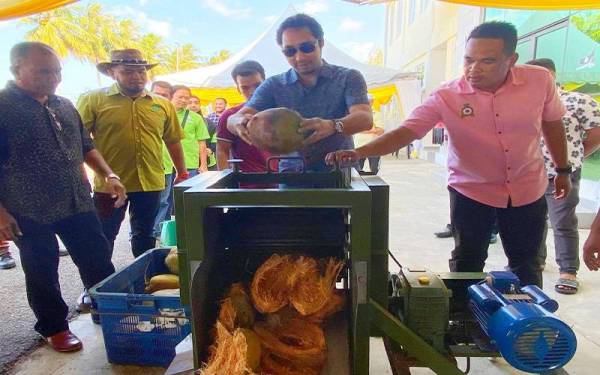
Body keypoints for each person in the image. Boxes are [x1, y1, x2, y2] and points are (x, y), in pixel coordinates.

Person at [327, 21, 571, 288]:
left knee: (526, 263)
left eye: (487, 61)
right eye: (468, 59)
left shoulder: (539, 80)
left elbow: (552, 123)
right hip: (471, 191)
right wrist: (359, 152)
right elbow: (408, 131)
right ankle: (464, 322)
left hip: (527, 188)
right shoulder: (446, 95)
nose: (473, 69)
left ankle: (529, 325)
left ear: (511, 59)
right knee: (467, 263)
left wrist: (562, 170)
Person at [0, 42, 126, 352]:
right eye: (44, 71)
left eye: (57, 70)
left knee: (97, 258)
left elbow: (86, 146)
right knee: (42, 269)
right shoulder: (3, 107)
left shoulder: (64, 104)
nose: (54, 77)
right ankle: (54, 327)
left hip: (77, 201)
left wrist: (109, 174)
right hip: (27, 208)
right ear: (16, 70)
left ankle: (108, 311)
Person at [227, 13, 372, 172]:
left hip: (340, 172)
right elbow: (234, 118)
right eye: (290, 51)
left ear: (321, 43)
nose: (299, 57)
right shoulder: (273, 85)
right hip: (291, 176)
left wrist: (333, 126)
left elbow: (364, 118)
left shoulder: (348, 77)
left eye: (306, 47)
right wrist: (238, 122)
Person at [77, 49, 187, 259]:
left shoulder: (162, 104)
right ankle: (97, 285)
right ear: (112, 72)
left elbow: (172, 141)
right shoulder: (93, 100)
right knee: (103, 235)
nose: (136, 76)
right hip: (109, 184)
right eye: (128, 71)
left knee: (144, 234)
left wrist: (182, 172)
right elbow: (79, 142)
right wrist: (82, 177)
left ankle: (143, 277)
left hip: (151, 181)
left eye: (141, 71)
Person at [526, 58, 600, 294]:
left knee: (563, 220)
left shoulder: (577, 101)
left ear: (553, 75)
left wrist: (575, 156)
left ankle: (568, 269)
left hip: (562, 173)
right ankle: (536, 260)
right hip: (526, 173)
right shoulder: (523, 102)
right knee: (531, 221)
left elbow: (596, 133)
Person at [153, 85, 211, 239]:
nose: (184, 100)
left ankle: (187, 230)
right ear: (171, 96)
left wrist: (203, 165)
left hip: (189, 164)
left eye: (187, 97)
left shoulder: (196, 118)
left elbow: (202, 143)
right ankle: (159, 232)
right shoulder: (159, 114)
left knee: (185, 199)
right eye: (180, 97)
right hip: (163, 165)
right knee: (164, 201)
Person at [217, 60, 269, 172]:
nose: (252, 92)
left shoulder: (279, 111)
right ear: (238, 89)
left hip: (284, 181)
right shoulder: (229, 115)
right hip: (245, 184)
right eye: (245, 87)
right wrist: (226, 184)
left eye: (257, 85)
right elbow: (222, 150)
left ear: (266, 84)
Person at [355, 95, 384, 174]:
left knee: (374, 170)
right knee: (357, 170)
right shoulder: (357, 114)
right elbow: (356, 129)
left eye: (370, 101)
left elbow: (381, 130)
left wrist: (365, 129)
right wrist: (373, 129)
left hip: (374, 146)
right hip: (359, 146)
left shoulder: (377, 114)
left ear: (372, 102)